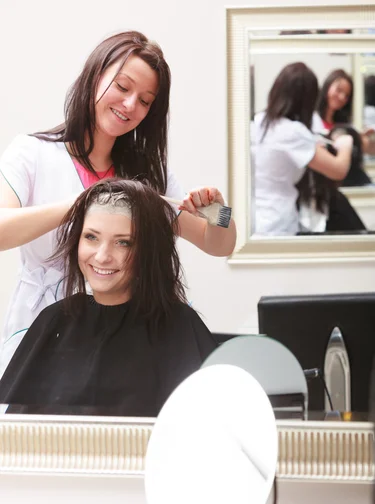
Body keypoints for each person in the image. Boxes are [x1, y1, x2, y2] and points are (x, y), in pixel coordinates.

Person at [0, 30, 236, 377]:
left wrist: (219, 209)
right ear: (95, 77)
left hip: (128, 338)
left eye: (145, 100)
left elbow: (218, 244)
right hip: (44, 334)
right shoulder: (32, 154)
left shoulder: (148, 174)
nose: (130, 106)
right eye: (123, 88)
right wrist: (82, 203)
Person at [0, 179, 217, 416]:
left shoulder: (179, 325)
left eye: (123, 242)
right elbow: (17, 436)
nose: (102, 257)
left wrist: (218, 210)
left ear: (147, 251)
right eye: (91, 237)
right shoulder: (54, 320)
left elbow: (210, 426)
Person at [251, 62, 353, 236]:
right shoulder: (292, 132)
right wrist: (346, 142)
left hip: (256, 218)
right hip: (278, 223)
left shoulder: (258, 122)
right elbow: (338, 170)